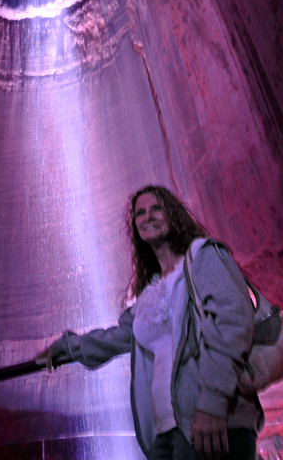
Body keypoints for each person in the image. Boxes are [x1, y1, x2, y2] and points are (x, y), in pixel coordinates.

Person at [36, 185, 263, 460]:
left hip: (213, 422)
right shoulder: (152, 289)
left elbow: (232, 324)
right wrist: (67, 348)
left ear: (174, 214)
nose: (147, 216)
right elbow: (119, 337)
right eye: (140, 213)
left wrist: (213, 403)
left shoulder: (204, 257)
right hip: (167, 430)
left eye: (156, 208)